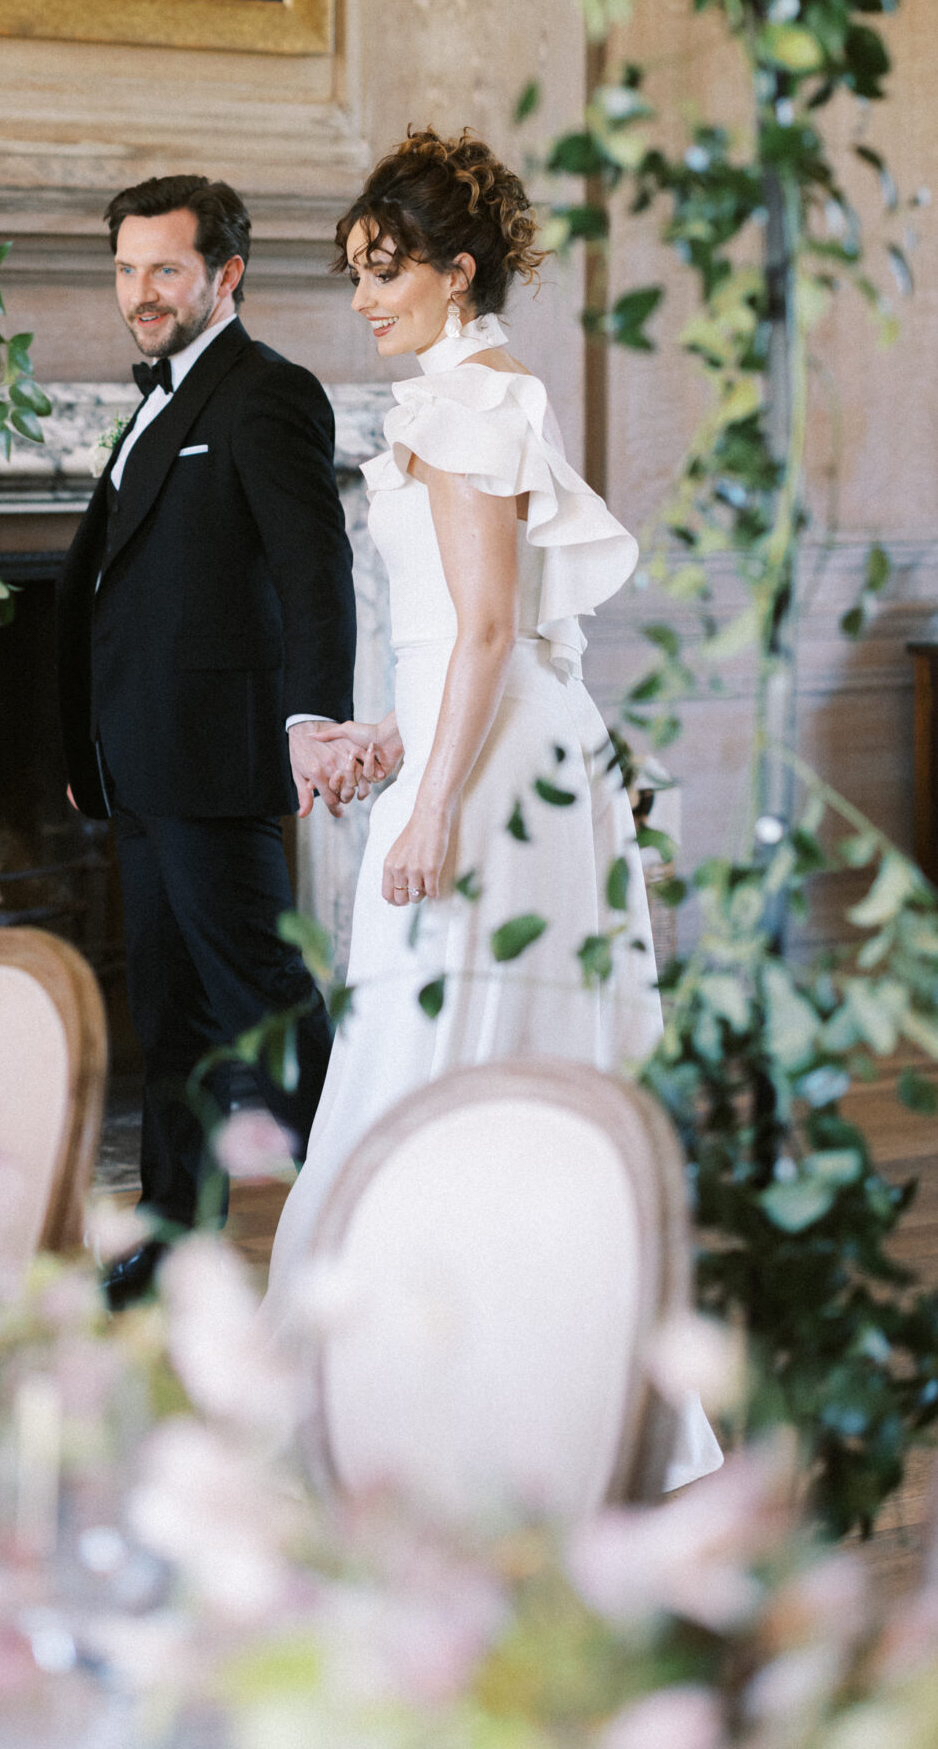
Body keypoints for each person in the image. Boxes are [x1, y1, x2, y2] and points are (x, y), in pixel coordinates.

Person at [266, 125, 673, 1270]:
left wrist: (434, 799)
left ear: (458, 274)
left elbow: (490, 626)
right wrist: (394, 732)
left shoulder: (459, 410)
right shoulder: (498, 393)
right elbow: (500, 634)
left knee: (431, 1052)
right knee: (515, 1049)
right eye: (356, 270)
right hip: (522, 741)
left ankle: (425, 1365)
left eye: (384, 269)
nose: (362, 298)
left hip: (490, 775)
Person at [56, 175, 360, 1309]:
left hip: (221, 760)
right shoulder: (161, 396)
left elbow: (314, 571)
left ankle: (361, 1223)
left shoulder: (267, 394)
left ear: (225, 275)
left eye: (164, 271)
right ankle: (175, 1243)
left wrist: (309, 721)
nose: (140, 293)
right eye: (128, 270)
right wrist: (84, 743)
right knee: (173, 1014)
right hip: (139, 760)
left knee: (266, 1002)